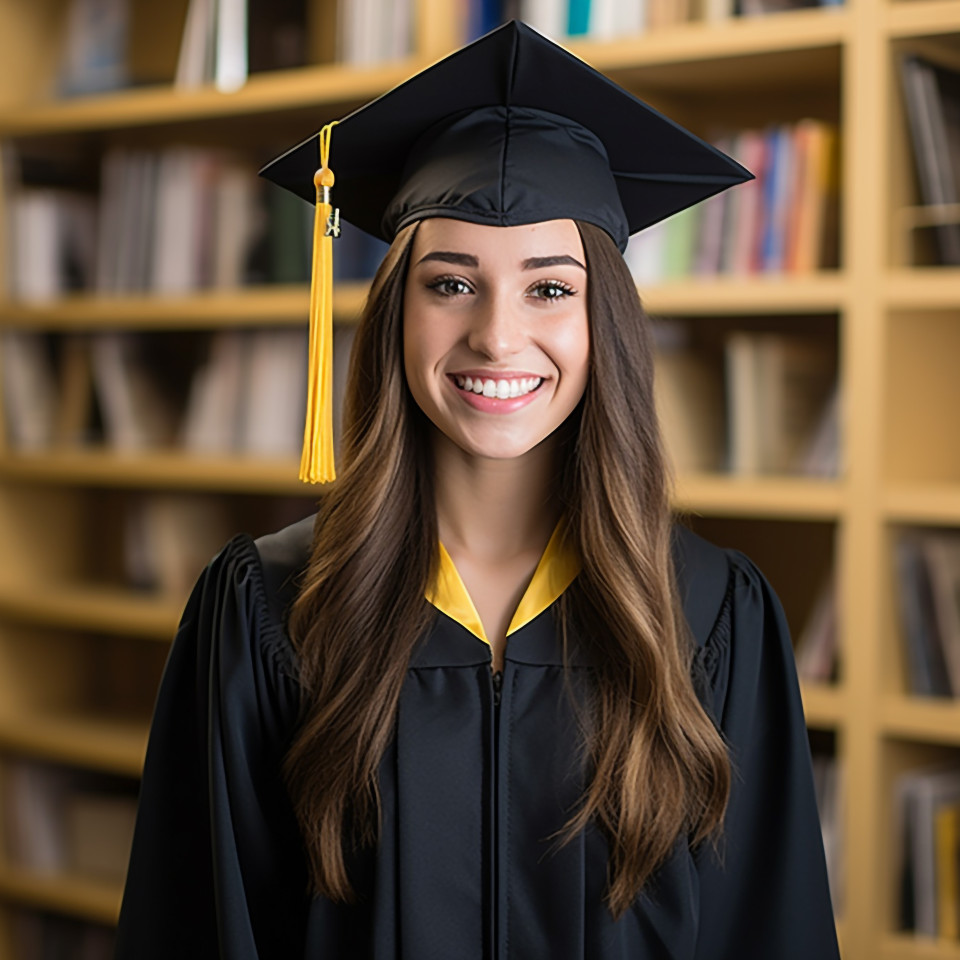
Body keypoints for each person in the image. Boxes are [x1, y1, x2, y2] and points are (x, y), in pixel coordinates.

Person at [115, 20, 841, 960]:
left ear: (603, 324)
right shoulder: (265, 611)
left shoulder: (710, 619)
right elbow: (197, 927)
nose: (497, 337)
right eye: (451, 283)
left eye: (549, 289)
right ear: (394, 316)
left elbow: (767, 935)